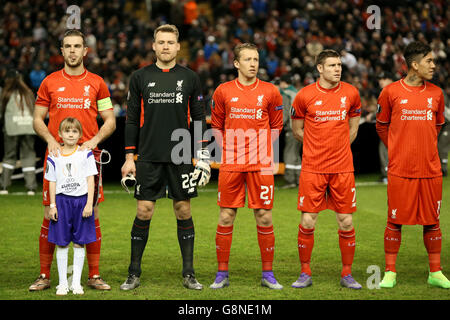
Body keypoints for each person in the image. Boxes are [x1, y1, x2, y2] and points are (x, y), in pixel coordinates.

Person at [120, 24, 209, 291]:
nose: (166, 46)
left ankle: (189, 274)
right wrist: (129, 157)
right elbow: (132, 119)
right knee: (144, 211)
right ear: (154, 46)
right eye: (161, 42)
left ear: (178, 46)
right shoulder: (140, 77)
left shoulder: (191, 78)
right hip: (148, 155)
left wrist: (203, 154)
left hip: (181, 156)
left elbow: (199, 118)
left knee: (183, 210)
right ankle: (133, 273)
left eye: (170, 42)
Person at [30, 29, 116, 291]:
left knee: (91, 212)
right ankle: (45, 276)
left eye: (77, 46)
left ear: (85, 50)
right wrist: (50, 140)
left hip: (87, 159)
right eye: (68, 46)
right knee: (50, 212)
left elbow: (110, 121)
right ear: (62, 50)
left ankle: (94, 275)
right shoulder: (49, 82)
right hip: (56, 156)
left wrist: (93, 142)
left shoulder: (98, 83)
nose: (72, 51)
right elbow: (37, 119)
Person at [209, 43, 284, 290]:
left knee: (264, 216)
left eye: (256, 59)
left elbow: (276, 126)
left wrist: (260, 148)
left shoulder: (271, 91)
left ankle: (268, 274)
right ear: (236, 63)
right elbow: (216, 125)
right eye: (248, 59)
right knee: (227, 215)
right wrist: (230, 150)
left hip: (260, 165)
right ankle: (221, 274)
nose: (253, 63)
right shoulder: (223, 91)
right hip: (231, 164)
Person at [376, 41, 450, 288]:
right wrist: (398, 149)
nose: (434, 65)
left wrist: (423, 149)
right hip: (401, 170)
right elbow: (381, 125)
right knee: (394, 220)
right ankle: (389, 272)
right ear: (414, 65)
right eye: (429, 61)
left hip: (430, 170)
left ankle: (435, 272)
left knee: (432, 221)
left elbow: (438, 126)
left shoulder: (437, 94)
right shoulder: (390, 93)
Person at [290, 49, 362, 289]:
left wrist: (339, 147)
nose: (337, 69)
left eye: (339, 65)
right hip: (313, 168)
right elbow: (297, 130)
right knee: (308, 221)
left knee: (346, 222)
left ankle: (347, 274)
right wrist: (317, 146)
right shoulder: (304, 96)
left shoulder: (351, 93)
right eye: (332, 65)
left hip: (342, 168)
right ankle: (304, 273)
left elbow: (354, 128)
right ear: (319, 68)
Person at [45, 117, 98, 295]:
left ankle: (76, 283)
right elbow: (51, 181)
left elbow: (91, 179)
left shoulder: (86, 153)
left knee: (79, 242)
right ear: (60, 134)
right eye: (67, 131)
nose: (70, 134)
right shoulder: (54, 155)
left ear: (80, 134)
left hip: (81, 201)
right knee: (61, 243)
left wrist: (89, 203)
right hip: (61, 202)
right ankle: (62, 283)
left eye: (74, 131)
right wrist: (52, 205)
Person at [0, 69, 37, 195]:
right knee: (28, 156)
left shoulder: (5, 92)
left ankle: (3, 187)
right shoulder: (28, 92)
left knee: (9, 156)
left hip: (12, 128)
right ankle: (31, 188)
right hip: (28, 127)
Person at [278, 74, 301, 188]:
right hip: (301, 128)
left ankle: (290, 180)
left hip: (292, 128)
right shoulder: (296, 92)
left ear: (283, 82)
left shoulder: (285, 94)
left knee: (289, 154)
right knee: (296, 154)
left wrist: (278, 125)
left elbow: (285, 113)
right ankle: (298, 179)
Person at [376, 72, 394, 184]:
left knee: (384, 149)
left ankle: (388, 175)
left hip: (393, 128)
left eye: (384, 78)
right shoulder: (386, 91)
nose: (381, 81)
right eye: (380, 79)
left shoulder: (391, 91)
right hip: (391, 127)